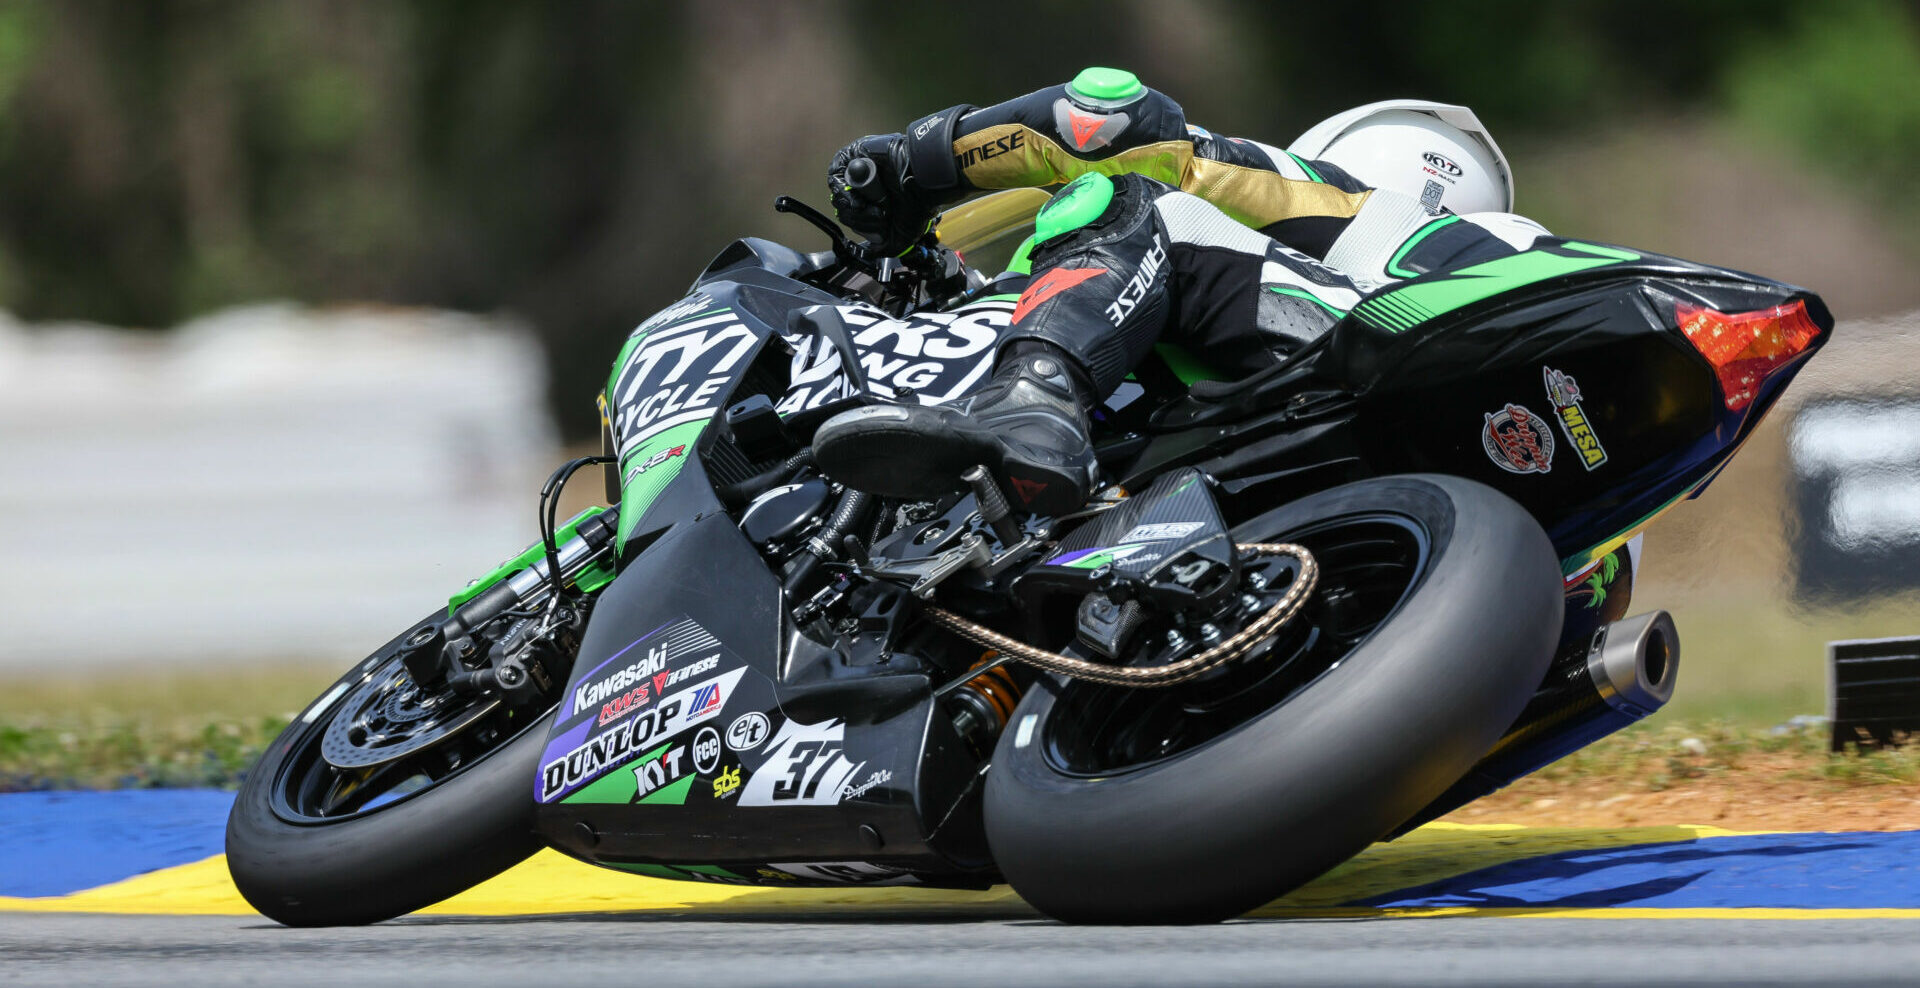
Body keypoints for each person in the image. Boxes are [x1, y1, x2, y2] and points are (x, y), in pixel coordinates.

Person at [810, 68, 1547, 515]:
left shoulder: (1327, 201)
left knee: (1142, 202)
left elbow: (1111, 122)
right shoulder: (1504, 262)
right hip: (1445, 481)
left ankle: (1034, 398)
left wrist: (914, 164)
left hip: (1355, 367)